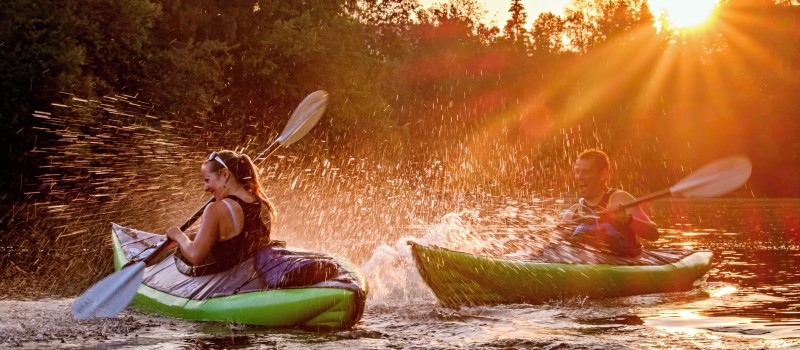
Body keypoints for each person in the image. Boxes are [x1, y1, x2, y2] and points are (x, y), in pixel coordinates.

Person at [165, 150, 276, 275]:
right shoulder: (263, 205)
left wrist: (178, 235)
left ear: (225, 174)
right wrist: (194, 234)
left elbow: (195, 256)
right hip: (253, 282)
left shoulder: (215, 209)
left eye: (207, 180)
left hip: (226, 288)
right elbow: (243, 239)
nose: (205, 188)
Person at [560, 149, 659, 257]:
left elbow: (654, 234)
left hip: (623, 266)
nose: (579, 177)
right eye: (577, 171)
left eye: (586, 172)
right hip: (586, 267)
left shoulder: (620, 199)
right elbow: (554, 245)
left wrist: (626, 219)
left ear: (603, 174)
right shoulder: (573, 212)